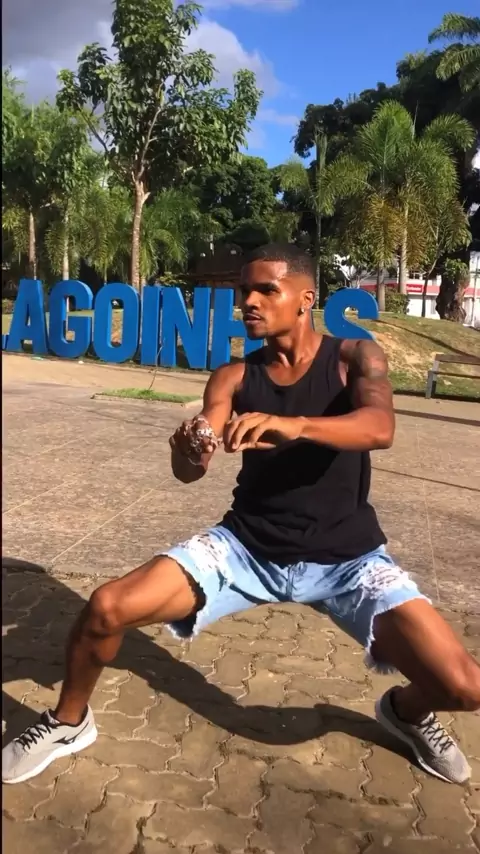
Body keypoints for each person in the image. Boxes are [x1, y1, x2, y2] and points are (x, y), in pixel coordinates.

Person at [3, 243, 479, 787]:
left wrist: (295, 425)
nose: (248, 302)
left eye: (265, 290)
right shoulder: (233, 376)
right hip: (246, 549)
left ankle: (406, 711)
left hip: (348, 560)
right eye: (243, 292)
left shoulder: (353, 358)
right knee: (106, 608)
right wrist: (189, 450)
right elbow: (193, 467)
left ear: (306, 298)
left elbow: (380, 427)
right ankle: (69, 722)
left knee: (465, 687)